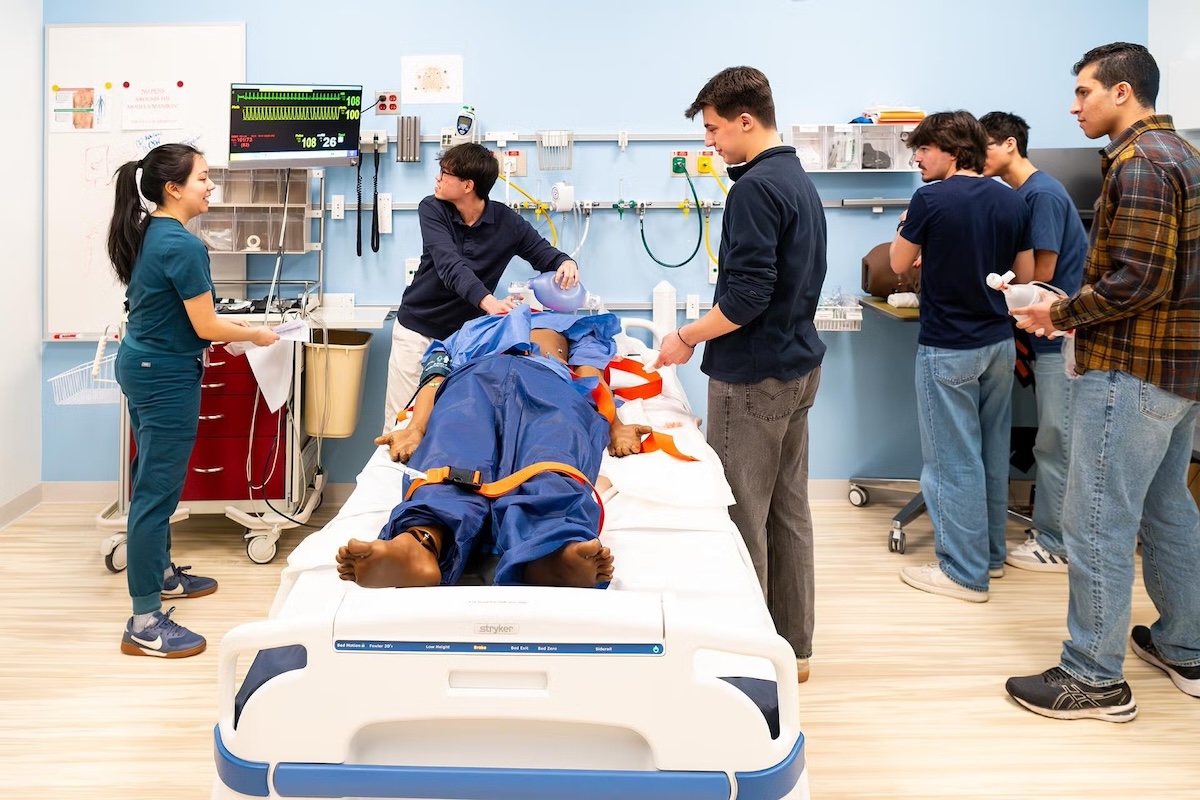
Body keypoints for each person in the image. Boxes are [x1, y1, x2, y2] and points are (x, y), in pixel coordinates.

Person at [1005, 42, 1200, 721]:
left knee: (1095, 520)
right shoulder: (1182, 155)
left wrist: (1058, 312)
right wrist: (1070, 318)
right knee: (1169, 509)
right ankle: (1186, 645)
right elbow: (1164, 279)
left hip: (1131, 373)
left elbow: (1138, 280)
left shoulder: (1141, 163)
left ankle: (1093, 677)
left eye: (1084, 91)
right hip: (1176, 374)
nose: (1073, 104)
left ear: (1123, 92)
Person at [654, 66, 826, 683]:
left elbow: (748, 297)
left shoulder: (755, 190)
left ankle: (748, 663)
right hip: (798, 367)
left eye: (715, 129)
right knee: (789, 512)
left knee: (738, 518)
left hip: (753, 378)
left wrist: (684, 338)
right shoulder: (796, 178)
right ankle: (794, 651)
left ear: (746, 120)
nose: (711, 144)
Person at [107, 143, 280, 658]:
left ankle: (160, 574)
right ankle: (144, 621)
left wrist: (235, 330)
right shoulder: (182, 245)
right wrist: (257, 333)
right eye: (203, 178)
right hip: (162, 376)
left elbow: (185, 318)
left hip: (144, 364)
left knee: (154, 483)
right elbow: (205, 324)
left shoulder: (154, 232)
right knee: (156, 493)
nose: (211, 186)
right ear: (173, 188)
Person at [339, 306, 652, 589]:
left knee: (554, 448)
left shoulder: (578, 328)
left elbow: (592, 380)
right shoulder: (462, 334)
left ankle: (552, 550)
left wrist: (615, 426)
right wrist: (415, 428)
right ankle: (420, 543)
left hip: (549, 382)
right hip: (473, 380)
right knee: (451, 446)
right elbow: (434, 380)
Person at [889, 110, 1033, 603]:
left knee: (952, 462)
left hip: (949, 345)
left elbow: (897, 263)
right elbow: (1026, 274)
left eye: (924, 149)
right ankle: (990, 558)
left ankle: (962, 573)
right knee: (991, 454)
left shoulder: (930, 198)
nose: (918, 158)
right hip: (998, 344)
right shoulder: (1012, 201)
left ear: (951, 150)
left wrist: (911, 227)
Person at [383, 142, 580, 432]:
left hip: (463, 341)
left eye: (444, 173)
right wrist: (489, 303)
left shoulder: (507, 222)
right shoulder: (432, 209)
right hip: (417, 331)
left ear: (468, 186)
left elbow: (543, 254)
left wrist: (566, 262)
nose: (437, 178)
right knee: (402, 424)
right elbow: (450, 265)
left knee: (451, 423)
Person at [980, 111, 1088, 574]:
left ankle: (1056, 543)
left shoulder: (1040, 195)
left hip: (1060, 336)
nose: (976, 157)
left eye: (983, 147)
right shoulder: (1024, 194)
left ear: (1009, 145)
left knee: (1056, 440)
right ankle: (1052, 533)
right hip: (1047, 336)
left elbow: (1041, 276)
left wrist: (996, 285)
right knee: (1054, 438)